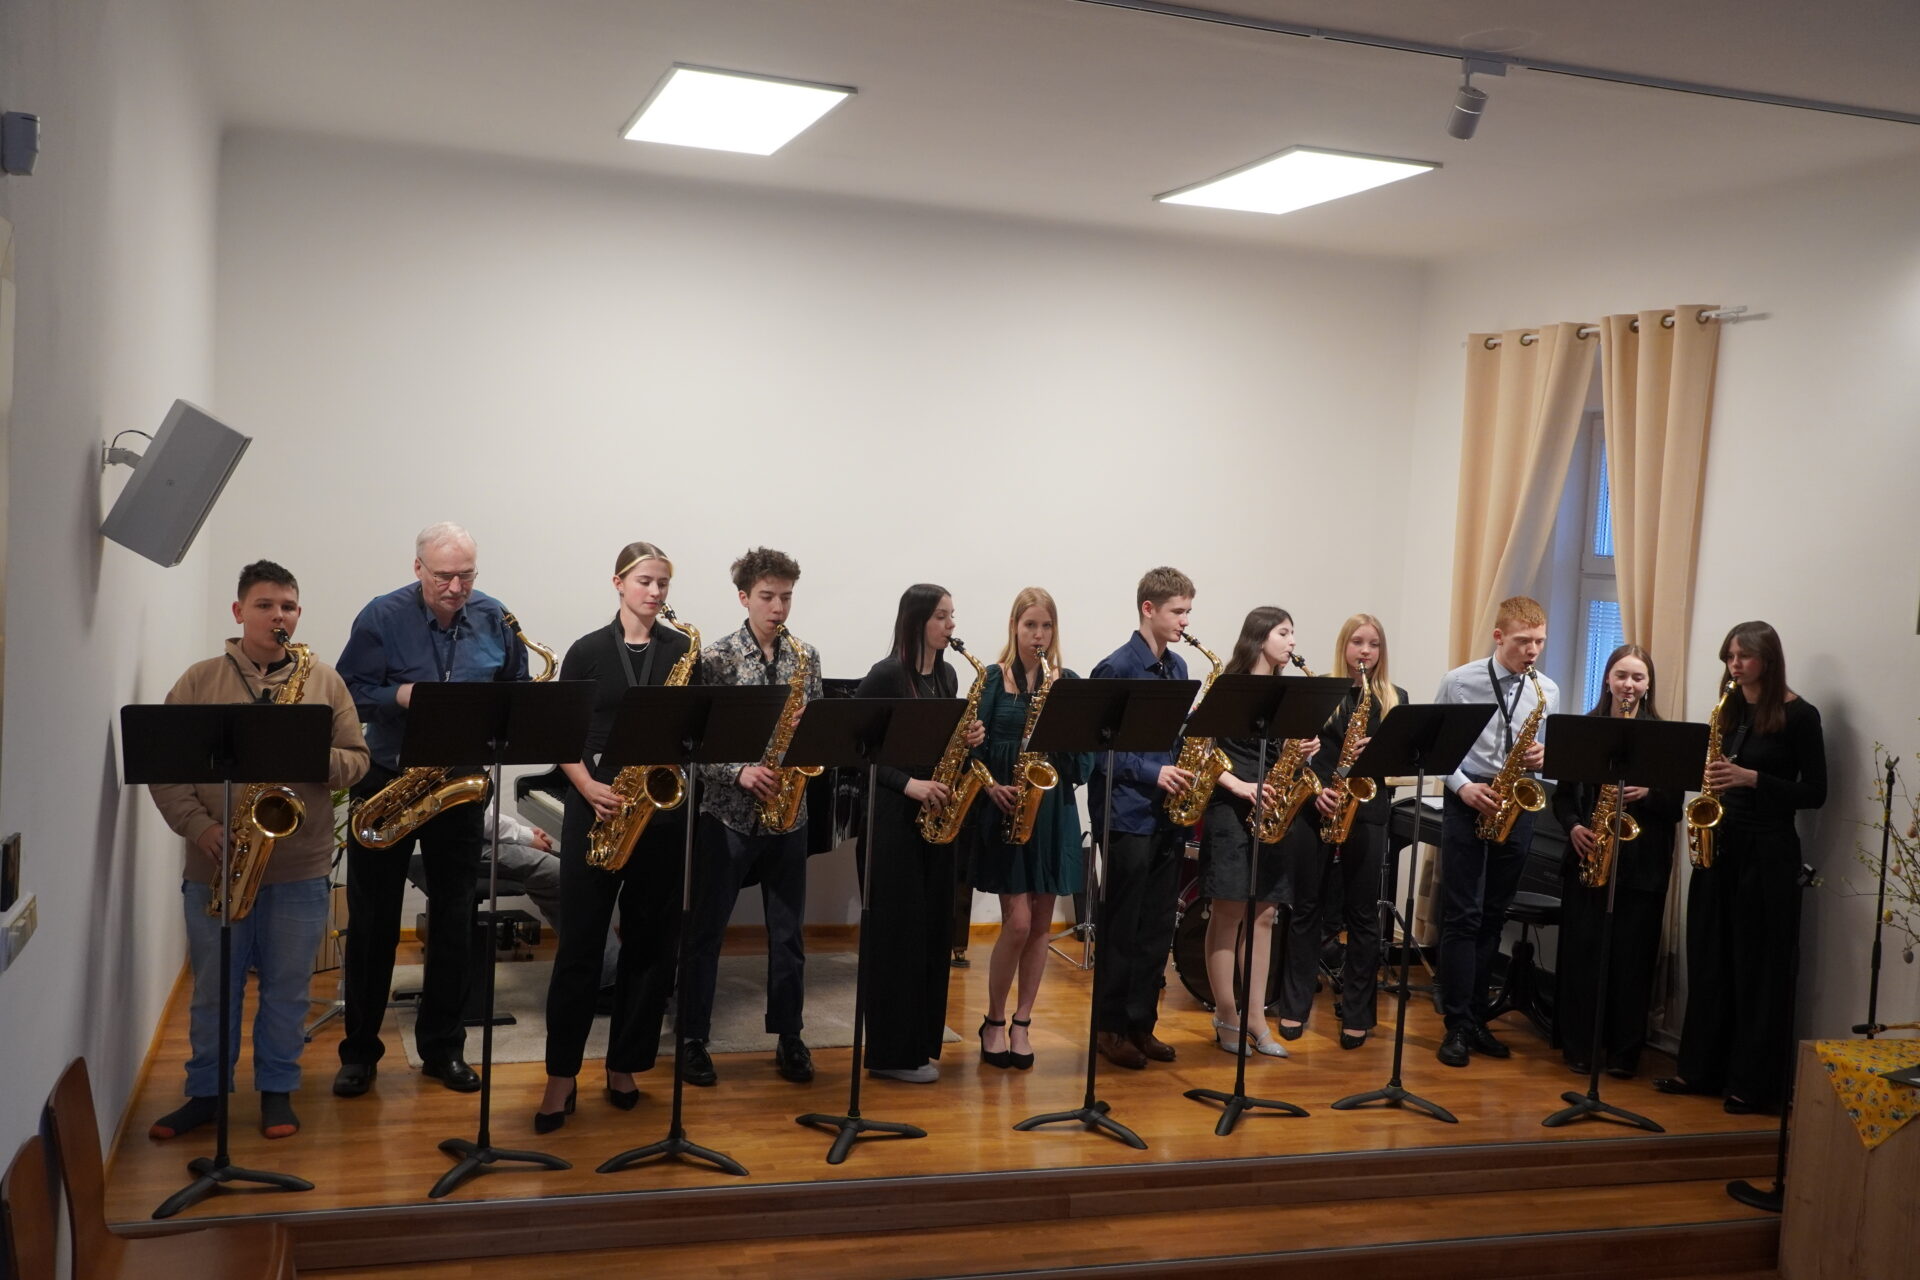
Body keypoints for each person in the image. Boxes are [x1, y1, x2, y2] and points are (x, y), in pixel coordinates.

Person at [147, 561, 369, 1140]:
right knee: (212, 991)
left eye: (288, 607)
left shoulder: (324, 681)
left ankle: (277, 1091)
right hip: (216, 862)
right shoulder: (199, 682)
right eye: (265, 605)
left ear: (298, 614)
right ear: (239, 611)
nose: (278, 616)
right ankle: (205, 1095)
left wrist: (307, 752)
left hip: (299, 867)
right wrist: (199, 827)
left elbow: (357, 760)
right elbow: (165, 767)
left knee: (288, 990)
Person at [332, 522, 530, 1097]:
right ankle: (360, 1053)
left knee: (454, 921)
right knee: (373, 923)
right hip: (388, 779)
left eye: (466, 575)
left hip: (458, 785)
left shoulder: (495, 617)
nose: (455, 588)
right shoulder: (381, 616)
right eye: (443, 576)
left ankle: (444, 1049)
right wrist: (402, 695)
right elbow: (348, 691)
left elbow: (517, 691)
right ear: (417, 568)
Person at [535, 542, 695, 1130]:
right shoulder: (587, 650)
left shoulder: (682, 650)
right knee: (580, 947)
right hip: (596, 804)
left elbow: (694, 730)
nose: (655, 592)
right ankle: (560, 1076)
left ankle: (625, 1064)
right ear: (619, 583)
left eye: (663, 583)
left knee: (651, 947)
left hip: (660, 812)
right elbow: (561, 733)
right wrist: (587, 786)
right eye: (645, 581)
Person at [1659, 621, 1826, 1114]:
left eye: (1744, 656)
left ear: (1767, 660)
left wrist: (1754, 779)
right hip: (1722, 843)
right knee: (1709, 958)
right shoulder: (1728, 710)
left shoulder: (1801, 716)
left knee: (1757, 968)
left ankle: (1751, 1084)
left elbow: (1816, 793)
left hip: (1767, 851)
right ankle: (1699, 1070)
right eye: (1730, 656)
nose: (1734, 665)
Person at [679, 546, 822, 1087]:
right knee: (705, 932)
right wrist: (738, 772)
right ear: (743, 597)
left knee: (788, 935)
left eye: (786, 597)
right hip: (728, 814)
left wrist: (809, 735)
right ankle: (692, 1037)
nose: (778, 607)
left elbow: (817, 738)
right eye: (767, 597)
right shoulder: (714, 658)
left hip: (788, 814)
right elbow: (693, 745)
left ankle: (790, 1035)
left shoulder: (806, 657)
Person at [853, 585, 987, 1083]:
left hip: (935, 820)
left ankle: (919, 1046)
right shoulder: (885, 675)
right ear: (916, 621)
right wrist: (907, 784)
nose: (951, 626)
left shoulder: (947, 676)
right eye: (941, 617)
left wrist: (969, 740)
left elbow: (939, 747)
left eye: (952, 616)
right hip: (892, 822)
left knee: (931, 936)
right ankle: (890, 1055)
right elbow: (854, 750)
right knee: (897, 940)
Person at [1431, 595, 1559, 1068]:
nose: (1533, 651)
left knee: (1493, 914)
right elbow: (1436, 748)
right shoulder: (1459, 681)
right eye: (1524, 641)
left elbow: (1548, 753)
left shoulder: (1546, 689)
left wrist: (1545, 756)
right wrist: (1464, 788)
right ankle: (1456, 1023)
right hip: (1470, 796)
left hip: (1517, 799)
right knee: (1463, 915)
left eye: (1540, 641)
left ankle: (1477, 1018)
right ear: (1499, 636)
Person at [969, 587, 1090, 1070]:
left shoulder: (1067, 682)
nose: (1038, 635)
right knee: (1017, 923)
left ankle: (1022, 1022)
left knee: (1041, 924)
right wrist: (990, 786)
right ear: (1015, 627)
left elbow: (1082, 764)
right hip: (1008, 808)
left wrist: (1067, 715)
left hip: (1054, 809)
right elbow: (971, 752)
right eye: (1030, 625)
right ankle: (994, 1020)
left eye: (1046, 626)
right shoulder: (992, 679)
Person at [1550, 644, 1680, 1078]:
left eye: (1638, 677)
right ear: (1607, 678)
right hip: (1588, 856)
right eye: (1621, 675)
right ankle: (1580, 1047)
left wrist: (1650, 793)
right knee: (1584, 955)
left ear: (1648, 684)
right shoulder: (1584, 731)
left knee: (1632, 960)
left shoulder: (1665, 737)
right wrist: (1573, 826)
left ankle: (1625, 1053)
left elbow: (1675, 808)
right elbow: (1563, 796)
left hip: (1642, 868)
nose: (1629, 685)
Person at [1087, 566, 1196, 1070]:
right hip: (1125, 813)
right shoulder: (1115, 669)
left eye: (1188, 611)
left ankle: (1140, 1025)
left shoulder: (1177, 668)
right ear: (1148, 609)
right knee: (1122, 927)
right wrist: (1154, 772)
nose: (1185, 621)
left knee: (1155, 927)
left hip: (1165, 815)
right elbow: (1098, 750)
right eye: (1178, 611)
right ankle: (1109, 1029)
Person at [1197, 606, 1316, 1058]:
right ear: (1260, 635)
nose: (1291, 641)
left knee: (1265, 914)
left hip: (1273, 806)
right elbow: (1203, 750)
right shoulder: (1229, 685)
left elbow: (1285, 754)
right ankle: (1226, 1014)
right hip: (1231, 807)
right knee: (1228, 914)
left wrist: (1303, 752)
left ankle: (1255, 1017)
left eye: (1292, 633)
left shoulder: (1288, 692)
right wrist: (1239, 785)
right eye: (1284, 633)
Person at [1287, 613, 1406, 1050]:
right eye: (1357, 642)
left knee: (1362, 913)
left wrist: (1381, 751)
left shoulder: (1395, 698)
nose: (1365, 651)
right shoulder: (1322, 691)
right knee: (1306, 908)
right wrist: (1317, 791)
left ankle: (1358, 1012)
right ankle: (1294, 1004)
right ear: (1344, 646)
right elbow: (1298, 755)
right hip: (1318, 805)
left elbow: (1401, 764)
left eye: (1374, 644)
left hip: (1368, 809)